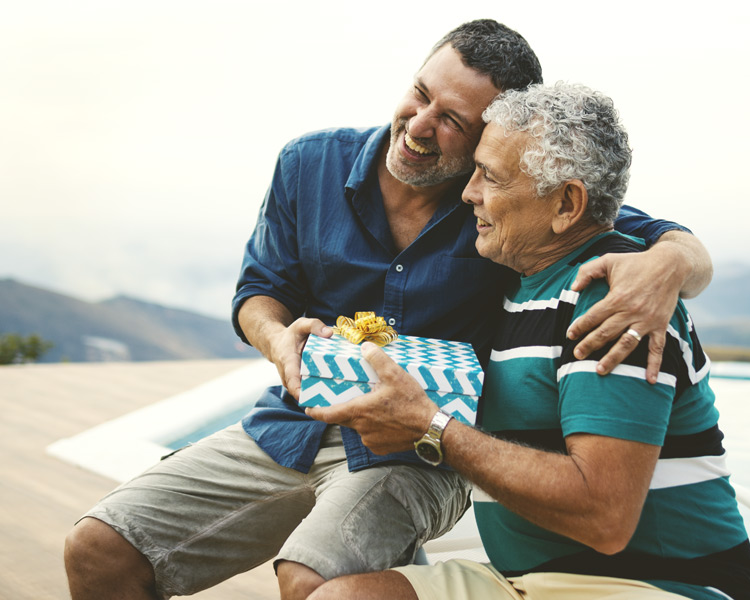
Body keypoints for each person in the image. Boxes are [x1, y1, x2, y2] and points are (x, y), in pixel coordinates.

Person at [64, 20, 713, 600]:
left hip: (421, 451)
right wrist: (275, 337)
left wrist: (672, 263)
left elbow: (606, 221)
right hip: (292, 422)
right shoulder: (308, 163)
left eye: (454, 121)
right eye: (422, 93)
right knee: (96, 548)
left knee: (313, 579)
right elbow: (259, 288)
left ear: (494, 140)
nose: (422, 124)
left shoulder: (503, 202)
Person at [304, 82, 750, 600]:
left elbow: (604, 516)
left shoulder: (612, 302)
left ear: (566, 205)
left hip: (660, 587)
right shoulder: (510, 284)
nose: (468, 192)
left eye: (490, 177)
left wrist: (432, 428)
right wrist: (330, 339)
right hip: (526, 582)